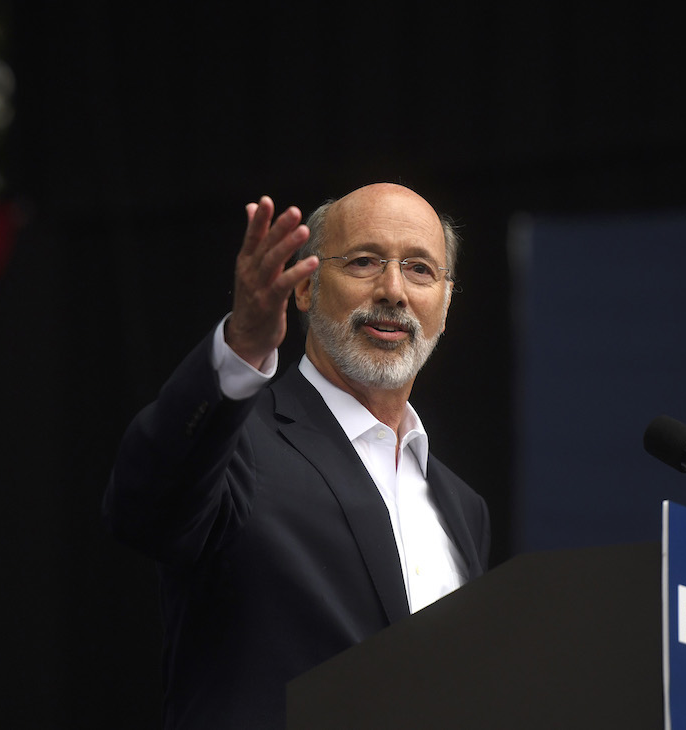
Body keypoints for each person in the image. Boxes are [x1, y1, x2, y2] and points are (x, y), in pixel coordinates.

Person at [103, 183, 491, 729]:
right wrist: (240, 348)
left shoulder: (462, 507)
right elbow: (144, 507)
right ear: (305, 288)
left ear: (445, 306)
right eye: (364, 261)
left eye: (421, 270)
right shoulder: (236, 443)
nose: (394, 290)